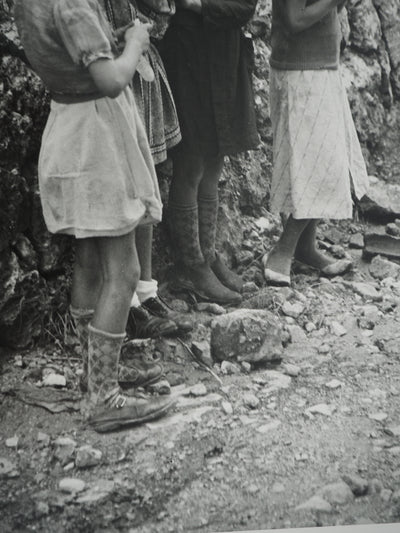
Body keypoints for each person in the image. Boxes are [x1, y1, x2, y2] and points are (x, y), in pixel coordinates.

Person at [14, 0, 175, 432]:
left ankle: (94, 370)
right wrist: (136, 44)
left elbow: (72, 56)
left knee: (88, 259)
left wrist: (110, 43)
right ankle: (102, 397)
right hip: (97, 136)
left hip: (68, 124)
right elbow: (109, 80)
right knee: (123, 271)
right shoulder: (72, 3)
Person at [100, 0, 193, 339]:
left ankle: (146, 290)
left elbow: (162, 13)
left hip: (139, 71)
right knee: (125, 188)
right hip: (114, 75)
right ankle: (128, 306)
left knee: (146, 182)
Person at [159, 0, 260, 305]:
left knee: (214, 162)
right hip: (188, 56)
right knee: (191, 163)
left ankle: (209, 254)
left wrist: (198, 5)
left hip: (224, 56)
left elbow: (245, 7)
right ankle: (194, 265)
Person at [263, 0, 369, 286]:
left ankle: (305, 249)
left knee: (322, 161)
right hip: (301, 72)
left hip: (321, 67)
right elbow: (294, 20)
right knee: (315, 166)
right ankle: (283, 250)